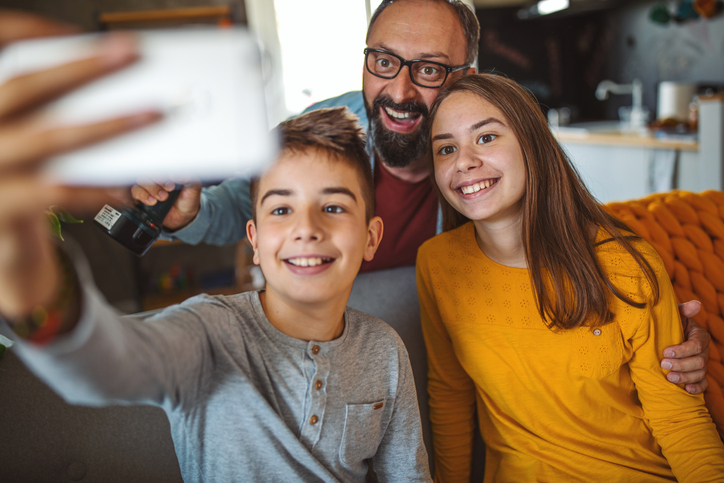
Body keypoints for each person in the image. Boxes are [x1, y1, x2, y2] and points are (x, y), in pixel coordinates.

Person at [131, 0, 712, 394]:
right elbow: (238, 206)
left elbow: (561, 228)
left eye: (429, 70)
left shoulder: (486, 163)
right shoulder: (325, 130)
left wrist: (663, 326)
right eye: (384, 62)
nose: (400, 91)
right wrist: (191, 214)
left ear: (467, 76)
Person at [0, 14, 432, 477]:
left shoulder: (386, 352)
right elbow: (101, 369)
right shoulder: (207, 335)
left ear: (371, 237)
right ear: (255, 239)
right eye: (281, 210)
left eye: (333, 207)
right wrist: (23, 260)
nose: (306, 228)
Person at [417, 73, 724, 482]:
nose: (464, 161)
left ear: (533, 144)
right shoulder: (437, 264)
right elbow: (450, 397)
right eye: (446, 148)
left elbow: (680, 422)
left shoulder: (625, 264)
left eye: (486, 138)